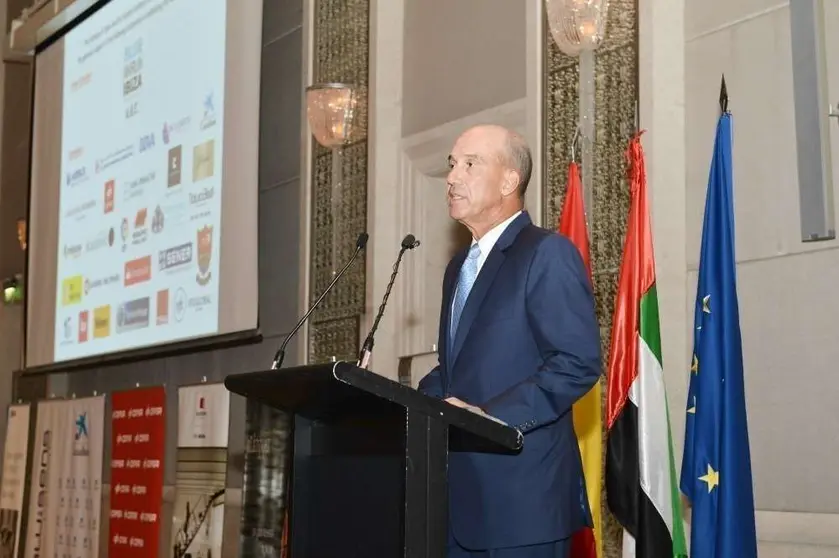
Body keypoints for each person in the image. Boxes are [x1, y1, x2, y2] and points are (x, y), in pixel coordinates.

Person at [418, 125, 601, 558]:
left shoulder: (546, 253)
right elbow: (456, 371)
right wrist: (400, 401)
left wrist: (490, 418)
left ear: (508, 181)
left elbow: (576, 362)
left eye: (469, 163)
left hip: (522, 506)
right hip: (458, 504)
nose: (451, 177)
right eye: (451, 164)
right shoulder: (459, 266)